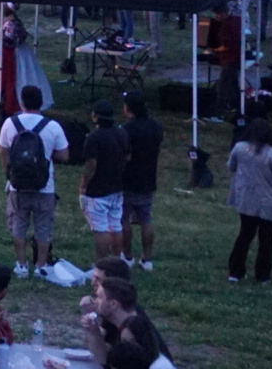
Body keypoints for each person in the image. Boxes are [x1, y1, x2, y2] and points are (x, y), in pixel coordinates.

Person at [0, 84, 70, 279]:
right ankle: (40, 266)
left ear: (22, 103)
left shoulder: (10, 123)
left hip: (17, 184)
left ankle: (21, 264)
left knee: (18, 223)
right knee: (43, 226)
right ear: (42, 103)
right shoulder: (52, 126)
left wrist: (9, 172)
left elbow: (3, 150)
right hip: (44, 185)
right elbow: (64, 155)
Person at [225, 118, 272, 283]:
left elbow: (231, 166)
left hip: (246, 200)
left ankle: (235, 272)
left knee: (245, 235)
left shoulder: (239, 148)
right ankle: (263, 275)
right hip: (269, 202)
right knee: (266, 239)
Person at [79, 98, 129, 263]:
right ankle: (116, 261)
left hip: (98, 190)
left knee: (100, 229)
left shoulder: (94, 137)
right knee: (115, 225)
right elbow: (128, 156)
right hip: (117, 186)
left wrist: (84, 185)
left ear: (95, 116)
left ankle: (101, 264)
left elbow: (91, 164)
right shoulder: (122, 133)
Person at [81, 278, 167, 369]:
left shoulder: (130, 330)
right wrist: (94, 331)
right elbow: (104, 359)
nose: (95, 301)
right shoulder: (122, 323)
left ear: (114, 304)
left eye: (99, 297)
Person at [119, 90, 162, 271]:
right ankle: (147, 258)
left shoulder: (126, 130)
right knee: (146, 219)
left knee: (125, 220)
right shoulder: (156, 126)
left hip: (128, 179)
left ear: (128, 108)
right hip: (148, 177)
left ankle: (127, 256)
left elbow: (123, 155)